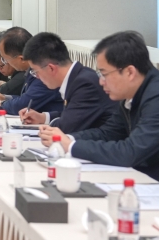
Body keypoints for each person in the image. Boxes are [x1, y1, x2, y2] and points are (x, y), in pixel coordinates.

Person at [38, 31, 159, 180]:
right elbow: (108, 133)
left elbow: (130, 152)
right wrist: (66, 138)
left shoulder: (155, 96)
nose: (101, 82)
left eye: (104, 74)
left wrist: (70, 146)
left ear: (129, 72)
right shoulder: (131, 94)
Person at [19, 32, 116, 132]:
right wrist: (43, 117)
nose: (37, 77)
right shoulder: (79, 76)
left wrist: (46, 125)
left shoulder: (85, 84)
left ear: (51, 68)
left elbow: (67, 126)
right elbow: (72, 114)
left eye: (35, 72)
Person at [0, 27, 64, 115]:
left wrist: (2, 104)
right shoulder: (33, 67)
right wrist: (5, 98)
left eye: (5, 59)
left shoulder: (44, 71)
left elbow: (24, 104)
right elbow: (27, 97)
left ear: (22, 59)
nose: (6, 63)